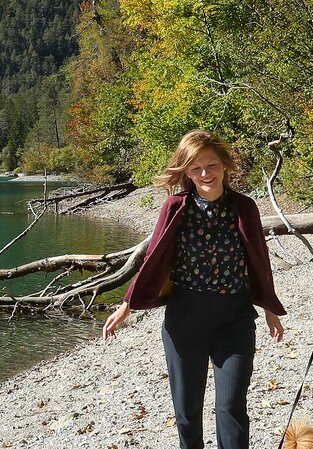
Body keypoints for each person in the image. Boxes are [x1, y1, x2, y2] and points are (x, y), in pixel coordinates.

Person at [103, 130, 287, 449]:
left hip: (235, 320)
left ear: (224, 166)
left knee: (231, 408)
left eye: (212, 165)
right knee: (187, 413)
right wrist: (126, 305)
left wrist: (270, 310)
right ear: (186, 171)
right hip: (185, 319)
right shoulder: (176, 207)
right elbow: (153, 258)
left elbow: (259, 261)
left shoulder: (245, 208)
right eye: (196, 167)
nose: (206, 174)